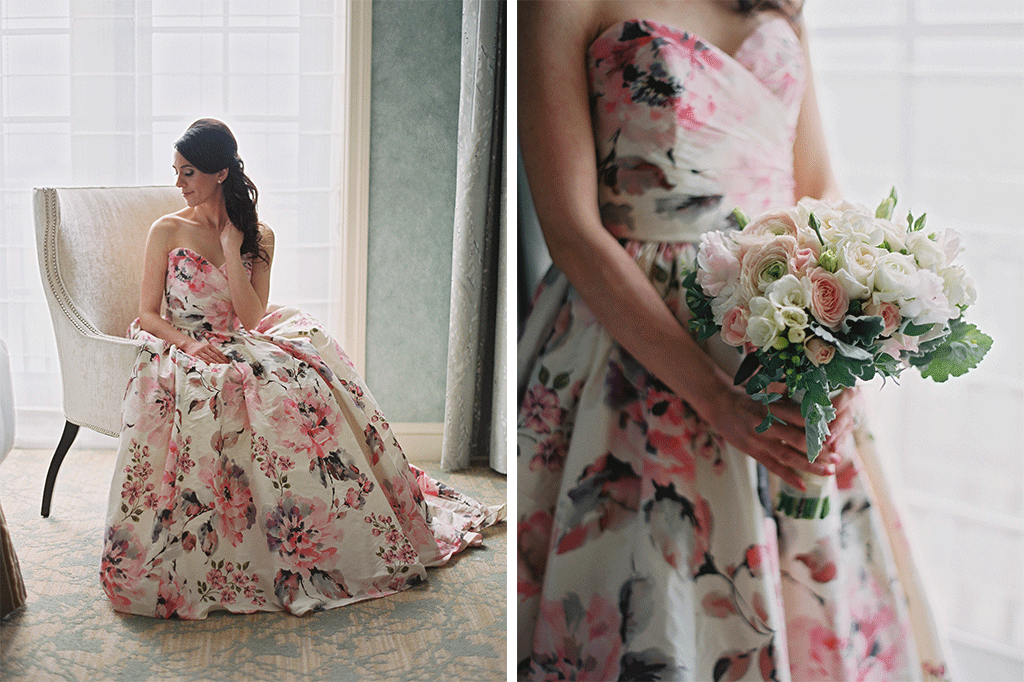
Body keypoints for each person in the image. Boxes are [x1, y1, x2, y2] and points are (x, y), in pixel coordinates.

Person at [517, 1, 951, 680]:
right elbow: (571, 228)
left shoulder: (780, 4)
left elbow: (815, 186)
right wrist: (715, 398)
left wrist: (840, 338)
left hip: (782, 330)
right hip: (632, 344)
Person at [100, 118, 504, 619]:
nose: (179, 183)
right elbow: (147, 315)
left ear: (220, 172)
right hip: (183, 344)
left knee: (300, 389)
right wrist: (187, 345)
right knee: (214, 393)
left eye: (188, 172)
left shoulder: (258, 236)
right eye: (176, 172)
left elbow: (250, 317)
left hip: (239, 339)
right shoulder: (166, 229)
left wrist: (232, 247)